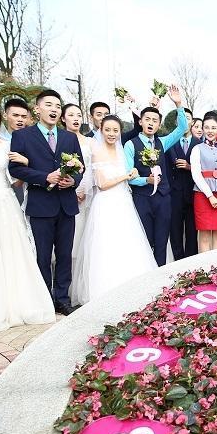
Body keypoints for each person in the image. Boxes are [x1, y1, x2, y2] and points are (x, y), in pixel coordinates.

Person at [0, 101, 54, 335]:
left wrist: (27, 163)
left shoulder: (8, 146)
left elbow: (16, 179)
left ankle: (16, 307)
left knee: (11, 254)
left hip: (4, 204)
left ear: (0, 119)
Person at [9, 89, 83, 316]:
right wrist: (44, 178)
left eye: (57, 106)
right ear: (37, 109)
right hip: (41, 204)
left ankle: (62, 298)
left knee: (64, 254)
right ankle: (44, 300)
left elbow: (80, 167)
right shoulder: (22, 136)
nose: (53, 109)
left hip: (66, 204)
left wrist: (72, 181)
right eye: (49, 105)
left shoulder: (69, 137)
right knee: (42, 255)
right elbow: (15, 168)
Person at [73, 115, 157, 304]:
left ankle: (130, 285)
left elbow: (129, 173)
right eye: (108, 130)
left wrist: (133, 173)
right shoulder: (96, 151)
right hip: (106, 204)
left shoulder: (121, 151)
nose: (111, 134)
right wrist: (125, 176)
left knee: (127, 242)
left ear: (120, 132)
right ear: (101, 130)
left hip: (124, 203)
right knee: (106, 244)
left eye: (115, 130)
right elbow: (102, 184)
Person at [123, 84, 188, 266]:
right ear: (140, 122)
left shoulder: (163, 142)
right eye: (147, 119)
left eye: (154, 120)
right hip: (142, 198)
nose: (151, 123)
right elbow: (129, 176)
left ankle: (158, 281)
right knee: (145, 241)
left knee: (161, 242)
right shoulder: (131, 145)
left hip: (163, 199)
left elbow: (182, 127)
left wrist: (178, 104)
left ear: (159, 124)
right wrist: (146, 180)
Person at [60, 104, 95, 304]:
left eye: (78, 115)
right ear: (63, 118)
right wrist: (71, 189)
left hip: (87, 196)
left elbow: (90, 168)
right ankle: (67, 290)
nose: (75, 118)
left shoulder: (89, 142)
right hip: (65, 195)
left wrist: (82, 190)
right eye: (71, 115)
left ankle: (83, 288)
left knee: (86, 243)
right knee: (69, 246)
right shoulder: (60, 140)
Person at [190, 114, 217, 253]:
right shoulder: (197, 149)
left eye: (213, 127)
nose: (210, 131)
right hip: (203, 196)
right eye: (207, 127)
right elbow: (196, 174)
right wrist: (210, 196)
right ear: (202, 129)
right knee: (204, 236)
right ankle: (205, 270)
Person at [165, 108, 200, 260]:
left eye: (188, 118)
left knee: (192, 232)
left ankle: (191, 263)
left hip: (194, 193)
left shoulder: (200, 144)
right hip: (174, 194)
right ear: (177, 121)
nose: (185, 121)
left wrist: (189, 167)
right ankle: (177, 261)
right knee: (175, 231)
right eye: (182, 118)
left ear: (192, 122)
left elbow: (204, 169)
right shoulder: (168, 142)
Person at [4, 98, 31, 204]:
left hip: (28, 190)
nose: (20, 120)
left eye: (24, 117)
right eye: (15, 115)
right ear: (5, 116)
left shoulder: (33, 141)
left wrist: (27, 162)